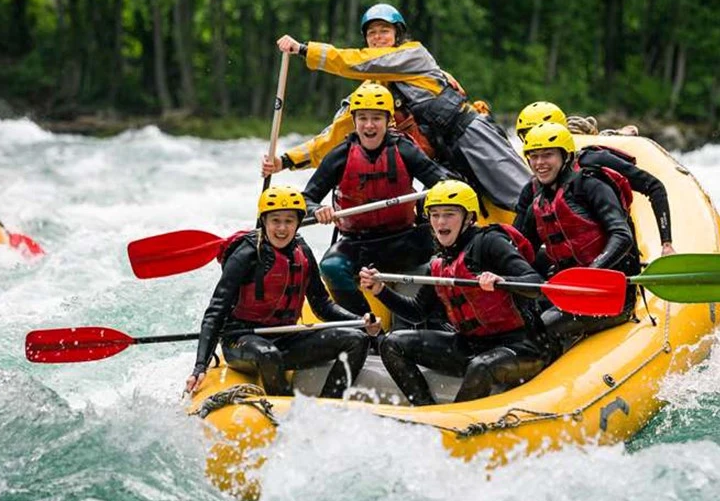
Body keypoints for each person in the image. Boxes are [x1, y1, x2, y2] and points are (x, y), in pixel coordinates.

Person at [266, 3, 531, 213]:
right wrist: (287, 160)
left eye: (384, 31)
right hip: (441, 160)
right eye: (372, 33)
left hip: (469, 135)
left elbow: (356, 62)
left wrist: (304, 50)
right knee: (465, 212)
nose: (378, 38)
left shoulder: (414, 54)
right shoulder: (371, 93)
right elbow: (335, 134)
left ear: (398, 35)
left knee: (521, 195)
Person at [358, 180, 557, 406]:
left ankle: (454, 422)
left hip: (522, 346)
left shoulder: (490, 242)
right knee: (392, 343)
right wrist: (380, 291)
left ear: (469, 218)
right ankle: (426, 410)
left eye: (449, 214)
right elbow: (417, 313)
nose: (440, 222)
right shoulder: (439, 263)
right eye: (434, 215)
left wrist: (504, 281)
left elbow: (537, 284)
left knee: (481, 367)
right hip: (470, 345)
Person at [185, 186, 381, 399]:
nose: (282, 228)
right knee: (268, 355)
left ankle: (329, 404)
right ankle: (283, 408)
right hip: (242, 339)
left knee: (357, 340)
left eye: (289, 221)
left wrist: (359, 321)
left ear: (298, 223)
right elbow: (216, 311)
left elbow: (322, 304)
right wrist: (200, 365)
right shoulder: (246, 254)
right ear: (264, 221)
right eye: (275, 220)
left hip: (286, 337)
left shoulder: (302, 251)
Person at [301, 81, 451, 314]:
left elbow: (444, 184)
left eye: (376, 118)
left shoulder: (405, 150)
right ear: (354, 121)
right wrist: (317, 210)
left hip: (405, 240)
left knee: (443, 255)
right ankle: (365, 324)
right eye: (363, 118)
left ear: (388, 120)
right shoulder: (340, 156)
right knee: (331, 266)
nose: (369, 125)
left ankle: (429, 317)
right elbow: (306, 199)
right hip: (358, 244)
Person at [514, 122, 640, 345]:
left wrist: (592, 273)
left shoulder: (591, 185)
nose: (539, 163)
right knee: (520, 318)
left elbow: (622, 236)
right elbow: (521, 255)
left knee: (538, 328)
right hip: (569, 291)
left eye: (548, 155)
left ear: (566, 156)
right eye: (534, 156)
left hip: (610, 295)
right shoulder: (539, 203)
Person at [515, 101, 675, 256]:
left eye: (547, 152)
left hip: (613, 255)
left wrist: (666, 244)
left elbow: (653, 186)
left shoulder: (594, 164)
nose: (537, 140)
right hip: (569, 262)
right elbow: (519, 239)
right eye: (528, 136)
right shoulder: (534, 188)